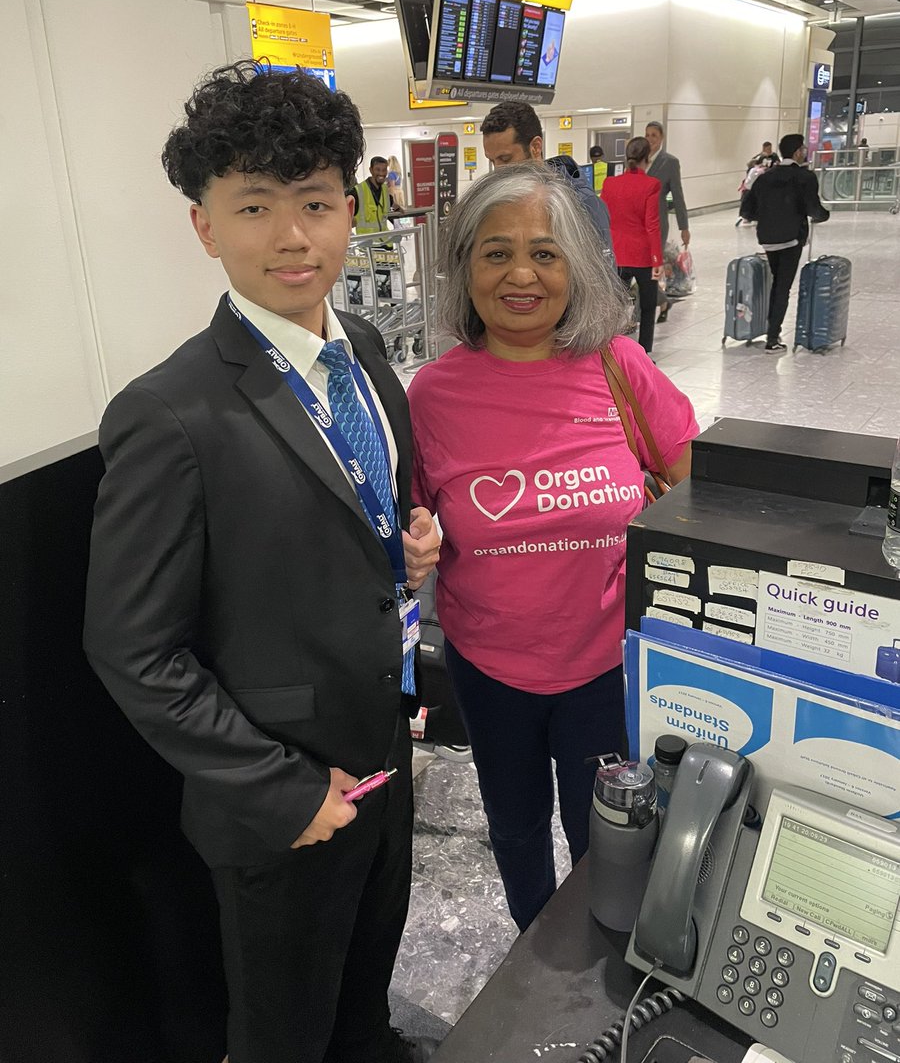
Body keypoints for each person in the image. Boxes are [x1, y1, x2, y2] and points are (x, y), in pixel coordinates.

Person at [83, 61, 441, 1063]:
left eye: (318, 203)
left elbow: (369, 513)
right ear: (205, 226)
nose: (294, 237)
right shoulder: (170, 415)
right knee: (286, 1027)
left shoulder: (365, 349)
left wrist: (410, 549)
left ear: (347, 206)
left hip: (383, 755)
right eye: (255, 206)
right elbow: (131, 649)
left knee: (366, 989)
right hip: (281, 798)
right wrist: (285, 793)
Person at [407, 165, 697, 932]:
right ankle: (534, 950)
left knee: (604, 835)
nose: (521, 275)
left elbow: (698, 496)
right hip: (490, 666)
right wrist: (414, 544)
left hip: (607, 665)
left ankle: (603, 957)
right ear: (465, 269)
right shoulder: (432, 396)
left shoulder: (620, 368)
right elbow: (410, 519)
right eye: (496, 254)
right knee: (516, 825)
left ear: (576, 267)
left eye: (545, 253)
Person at [480, 101, 615, 263]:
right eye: (492, 161)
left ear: (536, 147)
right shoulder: (503, 203)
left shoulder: (583, 204)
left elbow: (602, 280)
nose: (498, 171)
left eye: (505, 159)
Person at [739, 131, 830, 354]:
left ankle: (772, 330)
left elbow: (746, 210)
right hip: (791, 240)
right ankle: (772, 338)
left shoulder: (764, 178)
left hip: (768, 239)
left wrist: (770, 216)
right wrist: (823, 215)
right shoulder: (805, 178)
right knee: (782, 287)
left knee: (777, 283)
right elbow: (813, 209)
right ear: (798, 152)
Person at [601, 136, 662, 355]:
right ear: (648, 158)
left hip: (617, 253)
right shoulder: (651, 185)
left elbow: (605, 220)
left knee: (614, 306)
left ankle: (610, 350)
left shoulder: (610, 184)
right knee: (647, 307)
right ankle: (644, 354)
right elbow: (652, 225)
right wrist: (657, 260)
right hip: (643, 256)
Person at [645, 121, 689, 323]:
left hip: (657, 222)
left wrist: (684, 227)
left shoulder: (669, 162)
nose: (650, 139)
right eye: (647, 135)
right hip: (637, 222)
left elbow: (678, 196)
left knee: (650, 268)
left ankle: (650, 307)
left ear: (661, 138)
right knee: (641, 268)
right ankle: (662, 301)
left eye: (654, 135)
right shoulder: (638, 160)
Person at [353, 154, 403, 235]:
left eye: (384, 170)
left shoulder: (385, 190)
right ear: (371, 170)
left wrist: (401, 214)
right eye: (378, 170)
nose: (381, 173)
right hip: (368, 243)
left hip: (386, 242)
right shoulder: (358, 191)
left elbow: (393, 205)